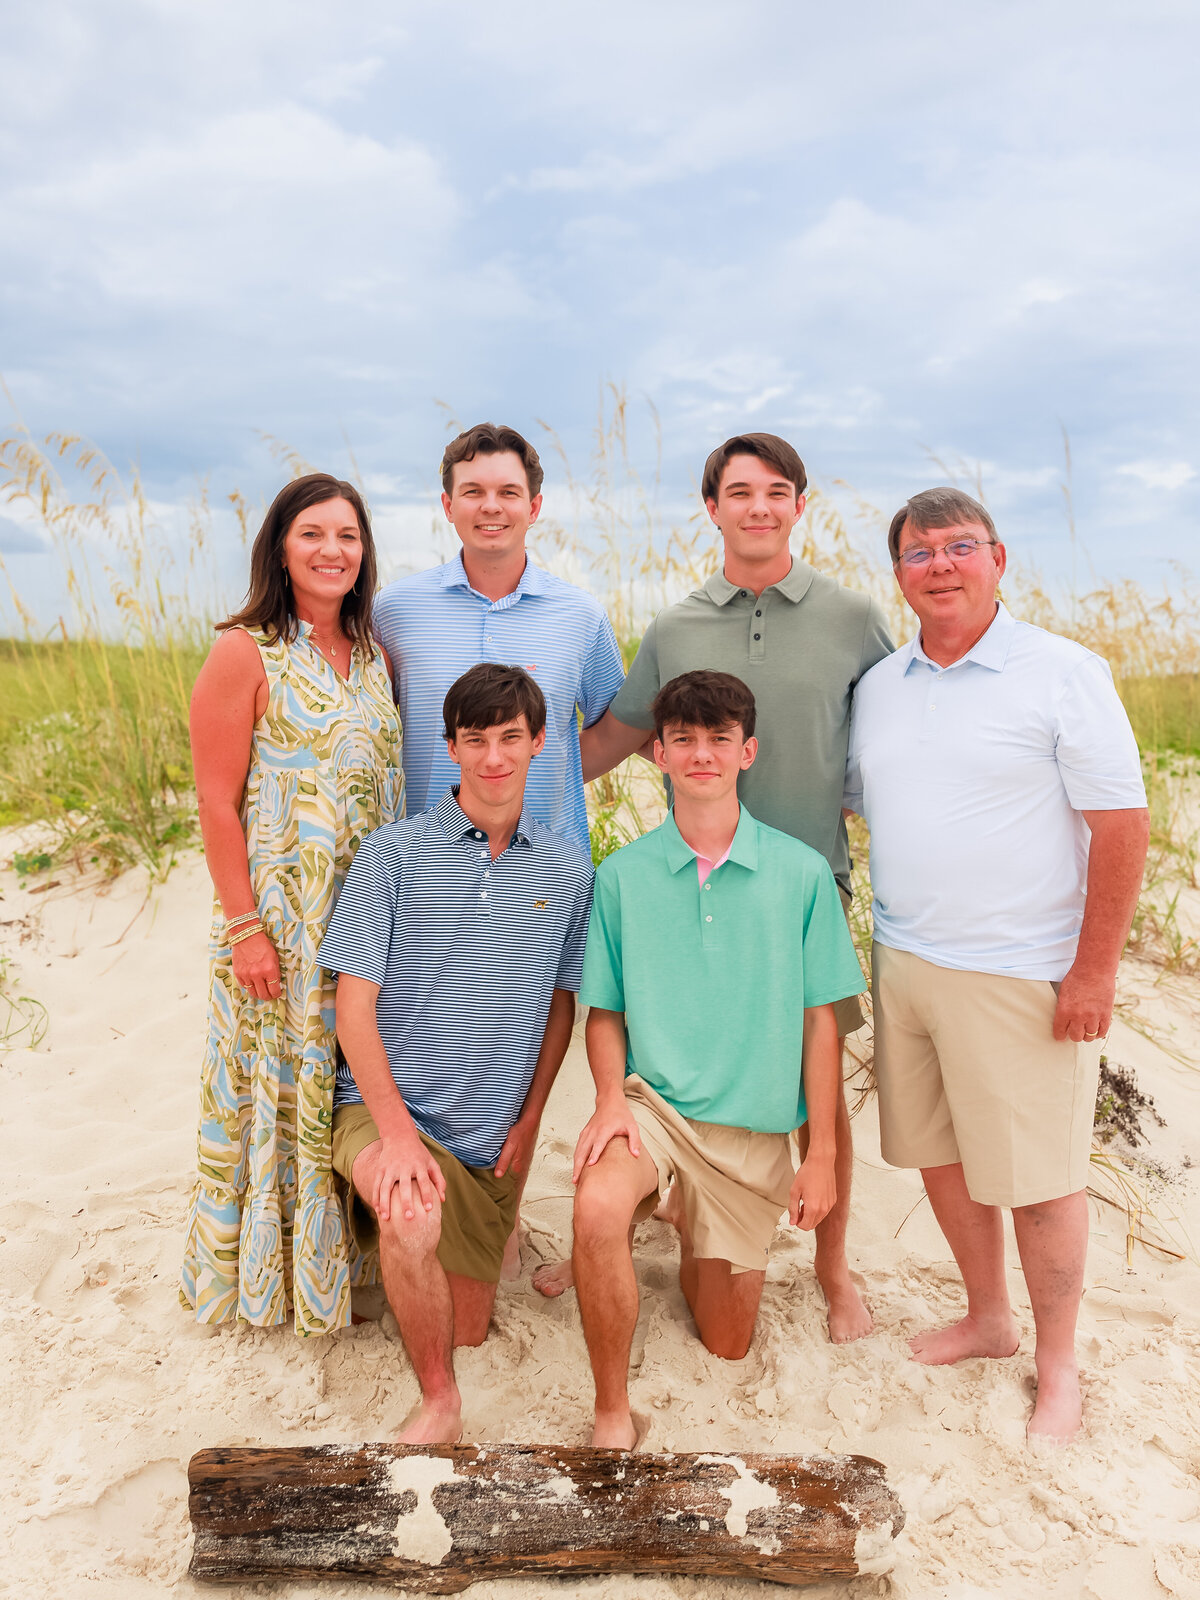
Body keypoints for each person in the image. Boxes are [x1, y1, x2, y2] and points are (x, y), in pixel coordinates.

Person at [543, 432, 893, 1341]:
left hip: (803, 884)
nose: (759, 506)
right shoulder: (676, 626)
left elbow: (903, 728)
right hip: (683, 875)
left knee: (815, 1068)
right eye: (740, 491)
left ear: (799, 504)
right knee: (681, 1056)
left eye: (778, 490)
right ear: (713, 508)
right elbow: (613, 740)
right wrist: (499, 802)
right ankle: (640, 1210)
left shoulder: (853, 616)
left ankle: (832, 1264)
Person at [844, 487, 1149, 1442]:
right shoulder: (881, 685)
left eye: (959, 546)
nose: (939, 564)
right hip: (904, 958)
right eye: (919, 551)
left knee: (1041, 1177)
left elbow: (1121, 825)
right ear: (897, 573)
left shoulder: (1063, 672)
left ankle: (1058, 1367)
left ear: (998, 558)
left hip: (1021, 972)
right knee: (937, 1156)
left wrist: (1093, 972)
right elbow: (866, 806)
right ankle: (988, 1317)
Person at [572, 670, 867, 1448]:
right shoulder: (622, 877)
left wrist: (823, 1155)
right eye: (684, 740)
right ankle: (611, 1411)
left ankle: (677, 1223)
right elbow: (603, 1014)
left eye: (718, 739)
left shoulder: (802, 874)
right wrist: (609, 1100)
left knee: (727, 1340)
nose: (702, 753)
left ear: (748, 751)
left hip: (749, 1140)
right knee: (596, 1209)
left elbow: (820, 1026)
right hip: (656, 1113)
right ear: (659, 755)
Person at [317, 664, 593, 1444]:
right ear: (450, 747)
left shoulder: (571, 871)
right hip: (385, 1113)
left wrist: (530, 1119)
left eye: (512, 737)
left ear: (540, 742)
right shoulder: (392, 855)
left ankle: (398, 1273)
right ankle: (439, 1402)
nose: (495, 756)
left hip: (483, 1143)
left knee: (469, 1325)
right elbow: (353, 1008)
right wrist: (397, 1135)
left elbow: (559, 1007)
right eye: (477, 739)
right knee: (411, 1213)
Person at [181, 474, 404, 1336]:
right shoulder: (245, 651)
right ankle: (273, 1282)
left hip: (362, 914)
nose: (332, 551)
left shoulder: (376, 653)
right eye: (313, 533)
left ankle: (347, 1266)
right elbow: (213, 801)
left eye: (347, 536)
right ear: (280, 545)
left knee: (347, 1082)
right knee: (280, 1093)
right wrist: (245, 927)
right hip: (281, 918)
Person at [373, 422, 627, 862]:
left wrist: (537, 768)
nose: (491, 507)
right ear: (448, 506)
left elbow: (617, 728)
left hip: (548, 872)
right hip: (422, 868)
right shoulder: (393, 611)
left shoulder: (581, 616)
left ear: (534, 506)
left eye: (508, 492)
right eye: (473, 492)